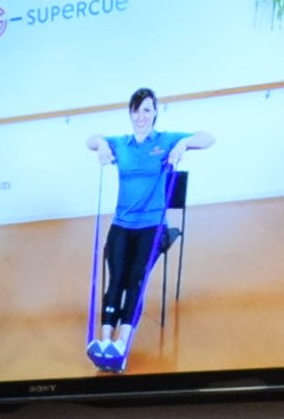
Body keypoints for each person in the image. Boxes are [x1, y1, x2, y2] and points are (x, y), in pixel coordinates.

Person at [85, 89, 214, 369]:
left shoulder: (165, 140)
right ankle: (105, 342)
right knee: (115, 281)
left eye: (146, 110)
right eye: (136, 110)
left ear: (155, 112)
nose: (141, 116)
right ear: (130, 114)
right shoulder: (121, 143)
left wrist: (185, 143)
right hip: (121, 224)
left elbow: (208, 138)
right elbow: (91, 140)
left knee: (135, 280)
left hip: (152, 227)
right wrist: (102, 145)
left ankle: (121, 345)